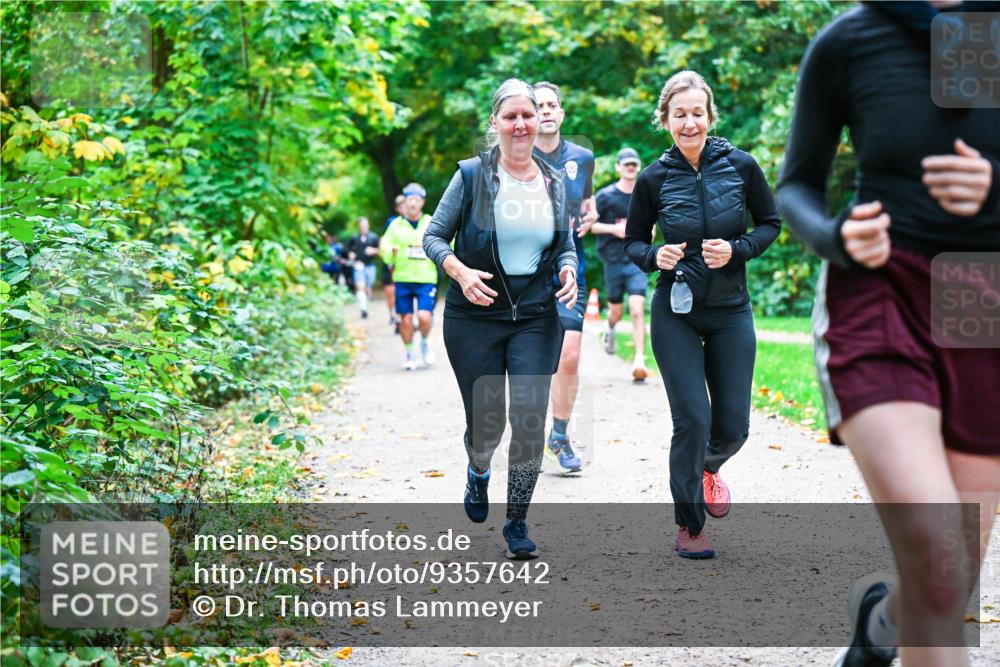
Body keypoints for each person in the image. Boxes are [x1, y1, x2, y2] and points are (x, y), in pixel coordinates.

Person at [775, 3, 999, 666]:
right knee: (936, 556)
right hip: (879, 284)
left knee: (947, 574)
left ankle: (882, 624)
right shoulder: (851, 39)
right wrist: (837, 236)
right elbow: (796, 186)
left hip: (979, 295)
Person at [624, 70, 781, 559]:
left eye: (697, 113)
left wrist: (737, 250)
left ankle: (706, 469)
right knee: (692, 419)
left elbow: (771, 224)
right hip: (676, 310)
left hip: (731, 309)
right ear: (665, 120)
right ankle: (690, 525)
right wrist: (655, 257)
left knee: (732, 426)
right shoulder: (653, 178)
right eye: (679, 115)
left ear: (710, 116)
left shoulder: (742, 165)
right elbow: (632, 241)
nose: (689, 123)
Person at [423, 78, 578, 559]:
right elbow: (433, 237)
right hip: (474, 316)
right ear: (495, 123)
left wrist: (568, 266)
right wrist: (459, 272)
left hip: (534, 315)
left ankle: (517, 521)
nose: (520, 124)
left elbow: (565, 242)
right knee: (487, 426)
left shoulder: (554, 180)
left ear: (538, 120)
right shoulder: (471, 176)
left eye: (527, 115)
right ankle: (478, 467)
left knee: (529, 419)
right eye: (510, 116)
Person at [532, 81, 597, 474]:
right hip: (525, 271)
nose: (546, 111)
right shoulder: (513, 156)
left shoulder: (583, 157)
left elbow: (586, 206)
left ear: (562, 112)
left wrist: (589, 217)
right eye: (538, 105)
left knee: (569, 356)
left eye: (552, 104)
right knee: (532, 358)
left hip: (571, 266)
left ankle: (559, 434)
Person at [592, 147, 650, 382]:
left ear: (638, 167)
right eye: (626, 164)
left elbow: (652, 225)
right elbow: (591, 226)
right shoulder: (605, 196)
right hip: (613, 259)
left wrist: (647, 234)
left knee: (637, 309)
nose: (630, 167)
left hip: (637, 258)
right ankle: (610, 326)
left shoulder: (644, 194)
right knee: (616, 310)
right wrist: (615, 229)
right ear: (618, 167)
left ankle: (639, 360)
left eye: (633, 164)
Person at [380, 183, 439, 370]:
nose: (413, 203)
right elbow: (385, 247)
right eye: (409, 199)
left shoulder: (431, 222)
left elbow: (446, 242)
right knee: (405, 319)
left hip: (426, 277)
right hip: (403, 277)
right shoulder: (395, 225)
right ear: (404, 202)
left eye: (417, 199)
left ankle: (423, 341)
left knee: (424, 317)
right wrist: (391, 252)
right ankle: (408, 352)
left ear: (422, 202)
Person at [345, 217, 380, 319]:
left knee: (368, 288)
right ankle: (363, 308)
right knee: (360, 286)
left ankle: (366, 302)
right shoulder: (354, 238)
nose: (363, 227)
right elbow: (347, 249)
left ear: (368, 226)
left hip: (370, 266)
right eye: (361, 226)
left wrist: (373, 250)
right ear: (359, 226)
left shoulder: (374, 237)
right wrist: (351, 254)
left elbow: (380, 251)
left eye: (365, 225)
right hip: (358, 265)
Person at [382, 194, 406, 330]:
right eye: (401, 205)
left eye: (405, 204)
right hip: (393, 261)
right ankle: (395, 316)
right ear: (397, 208)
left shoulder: (420, 221)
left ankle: (400, 318)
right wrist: (390, 252)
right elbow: (384, 240)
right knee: (392, 291)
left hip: (408, 264)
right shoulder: (392, 222)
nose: (404, 207)